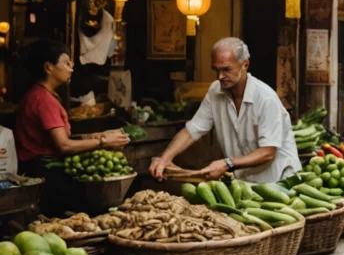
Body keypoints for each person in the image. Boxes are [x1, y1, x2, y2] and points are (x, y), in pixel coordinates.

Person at [151, 38, 299, 184]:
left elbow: (268, 152)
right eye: (216, 70)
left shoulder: (266, 98)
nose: (220, 76)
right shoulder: (215, 91)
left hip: (280, 181)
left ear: (245, 64)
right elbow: (192, 130)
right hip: (246, 182)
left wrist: (227, 163)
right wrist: (165, 158)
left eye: (227, 69)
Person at [16, 39, 130, 214]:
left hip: (41, 170)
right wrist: (103, 141)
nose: (71, 68)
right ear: (49, 67)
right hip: (46, 175)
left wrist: (96, 135)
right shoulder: (43, 100)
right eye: (66, 63)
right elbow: (63, 145)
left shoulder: (43, 95)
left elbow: (58, 138)